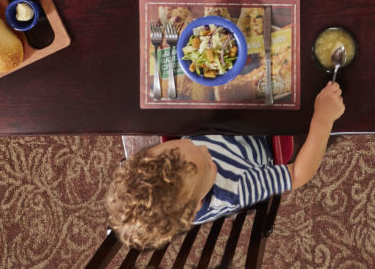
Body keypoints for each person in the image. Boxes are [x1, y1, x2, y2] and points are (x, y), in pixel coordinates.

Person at [105, 81, 344, 249]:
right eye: (208, 162)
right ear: (198, 204)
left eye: (183, 146)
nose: (203, 148)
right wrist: (322, 119)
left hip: (221, 122)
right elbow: (298, 174)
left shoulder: (173, 176)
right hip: (264, 139)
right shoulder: (234, 189)